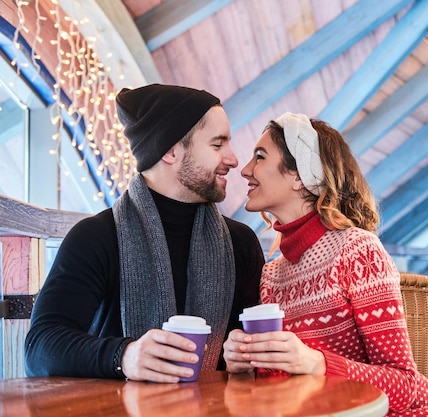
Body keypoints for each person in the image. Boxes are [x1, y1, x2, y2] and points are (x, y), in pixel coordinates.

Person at [25, 84, 264, 383]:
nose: (232, 159)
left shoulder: (240, 243)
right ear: (170, 151)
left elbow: (253, 351)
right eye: (217, 145)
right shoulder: (97, 237)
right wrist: (124, 356)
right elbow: (40, 347)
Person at [223, 112, 428, 416]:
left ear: (299, 176)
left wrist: (316, 362)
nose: (245, 169)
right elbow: (288, 382)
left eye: (260, 157)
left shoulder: (357, 251)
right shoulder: (272, 274)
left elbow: (404, 386)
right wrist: (243, 364)